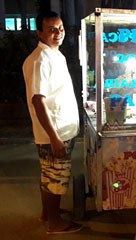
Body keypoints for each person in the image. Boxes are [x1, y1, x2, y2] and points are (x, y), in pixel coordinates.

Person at [22, 11, 82, 234]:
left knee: (48, 175)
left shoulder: (56, 55)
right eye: (51, 29)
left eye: (61, 28)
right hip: (54, 133)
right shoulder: (40, 60)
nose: (58, 33)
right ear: (39, 32)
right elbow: (38, 101)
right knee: (56, 177)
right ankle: (55, 224)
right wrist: (54, 138)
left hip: (62, 129)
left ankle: (48, 215)